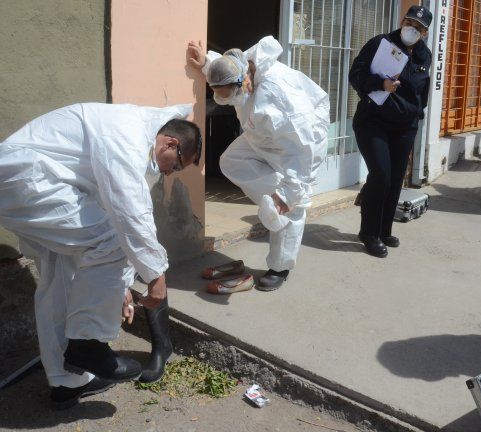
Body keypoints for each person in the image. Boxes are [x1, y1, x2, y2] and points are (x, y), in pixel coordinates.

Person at [0, 103, 202, 409]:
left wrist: (119, 287)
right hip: (31, 180)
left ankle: (66, 382)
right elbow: (129, 216)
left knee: (60, 280)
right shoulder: (127, 134)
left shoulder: (137, 146)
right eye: (176, 166)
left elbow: (114, 214)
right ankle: (88, 346)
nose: (169, 172)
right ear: (170, 144)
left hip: (32, 186)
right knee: (111, 240)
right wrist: (156, 276)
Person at [186, 36, 330, 289]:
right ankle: (275, 196)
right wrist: (206, 62)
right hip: (263, 136)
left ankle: (280, 267)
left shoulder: (281, 97)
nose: (231, 100)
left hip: (299, 145)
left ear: (246, 80)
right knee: (231, 160)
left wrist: (289, 193)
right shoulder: (239, 67)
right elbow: (224, 68)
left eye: (233, 94)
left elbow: (305, 148)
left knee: (291, 205)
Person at [348, 5, 432, 258]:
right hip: (373, 120)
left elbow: (422, 90)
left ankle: (384, 230)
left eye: (418, 27)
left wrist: (417, 114)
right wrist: (380, 84)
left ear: (425, 33)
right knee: (381, 174)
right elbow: (356, 75)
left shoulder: (424, 55)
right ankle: (369, 233)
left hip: (405, 125)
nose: (412, 29)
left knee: (396, 178)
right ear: (402, 20)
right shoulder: (380, 43)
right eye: (409, 22)